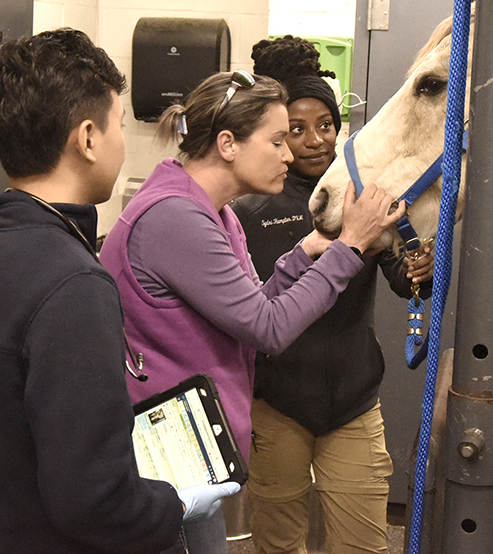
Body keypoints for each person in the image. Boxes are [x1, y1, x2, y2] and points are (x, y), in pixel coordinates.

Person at [0, 28, 237, 554]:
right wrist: (172, 507)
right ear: (88, 138)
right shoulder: (74, 285)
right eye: (120, 124)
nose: (123, 141)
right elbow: (94, 499)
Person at [99, 70, 404, 553]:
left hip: (191, 454)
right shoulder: (175, 217)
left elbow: (251, 306)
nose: (289, 154)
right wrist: (349, 246)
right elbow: (268, 328)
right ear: (227, 144)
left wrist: (302, 255)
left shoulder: (215, 212)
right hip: (168, 458)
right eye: (278, 140)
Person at [233, 36, 435, 554]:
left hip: (353, 402)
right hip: (277, 405)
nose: (315, 141)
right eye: (297, 130)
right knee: (278, 544)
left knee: (363, 545)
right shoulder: (251, 208)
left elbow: (402, 278)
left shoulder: (362, 199)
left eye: (325, 125)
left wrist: (422, 268)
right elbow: (250, 308)